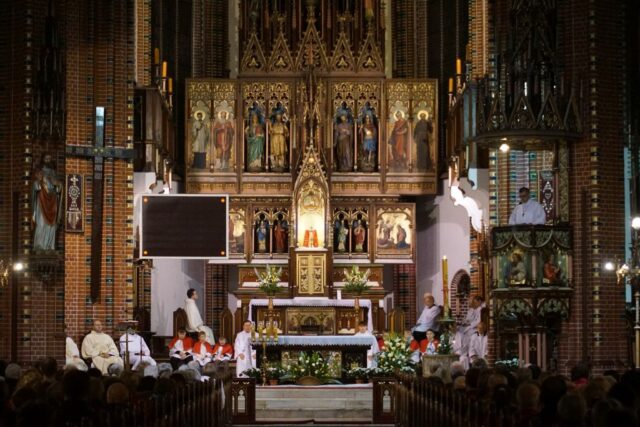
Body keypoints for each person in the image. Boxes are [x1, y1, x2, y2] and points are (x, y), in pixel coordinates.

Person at [32, 153, 62, 251]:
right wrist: (38, 182)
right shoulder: (39, 172)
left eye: (50, 158)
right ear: (43, 159)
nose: (48, 160)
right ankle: (39, 245)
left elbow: (59, 188)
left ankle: (50, 246)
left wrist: (58, 185)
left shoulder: (54, 173)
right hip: (42, 199)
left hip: (52, 200)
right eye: (46, 158)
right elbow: (35, 186)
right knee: (41, 223)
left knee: (52, 225)